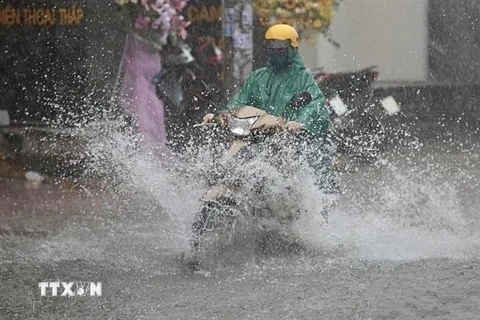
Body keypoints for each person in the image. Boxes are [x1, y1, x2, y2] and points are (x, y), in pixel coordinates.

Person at [202, 24, 331, 183]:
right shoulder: (257, 77)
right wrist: (218, 116)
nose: (276, 54)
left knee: (295, 171)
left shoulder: (304, 79)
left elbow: (315, 105)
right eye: (272, 50)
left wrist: (299, 123)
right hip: (256, 136)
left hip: (289, 140)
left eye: (281, 51)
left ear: (293, 49)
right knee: (227, 163)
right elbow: (239, 102)